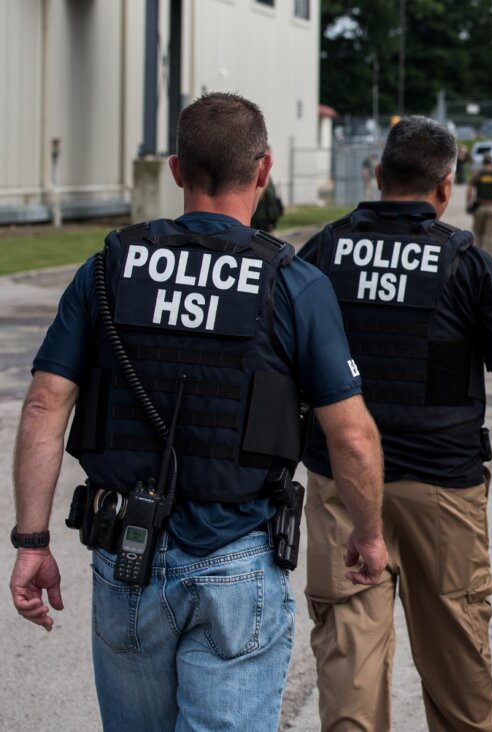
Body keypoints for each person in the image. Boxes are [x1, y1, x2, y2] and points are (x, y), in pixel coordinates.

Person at [8, 92, 388, 731]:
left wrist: (32, 540)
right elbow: (350, 437)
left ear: (178, 170)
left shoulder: (107, 268)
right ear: (263, 171)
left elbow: (46, 402)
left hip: (126, 550)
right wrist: (369, 534)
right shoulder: (294, 283)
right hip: (236, 559)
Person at [297, 116, 492, 732]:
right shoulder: (464, 262)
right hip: (441, 492)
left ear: (379, 175)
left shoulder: (322, 251)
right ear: (447, 187)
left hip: (341, 488)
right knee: (460, 691)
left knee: (349, 679)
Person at [466, 153, 492, 257]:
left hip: (479, 208)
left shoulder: (478, 174)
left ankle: (477, 258)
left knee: (479, 235)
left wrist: (468, 203)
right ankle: (489, 260)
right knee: (491, 237)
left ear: (483, 163)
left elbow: (470, 189)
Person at [251, 144, 285, 231]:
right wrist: (263, 185)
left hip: (267, 220)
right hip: (257, 221)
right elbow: (256, 198)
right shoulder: (256, 176)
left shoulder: (269, 177)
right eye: (266, 156)